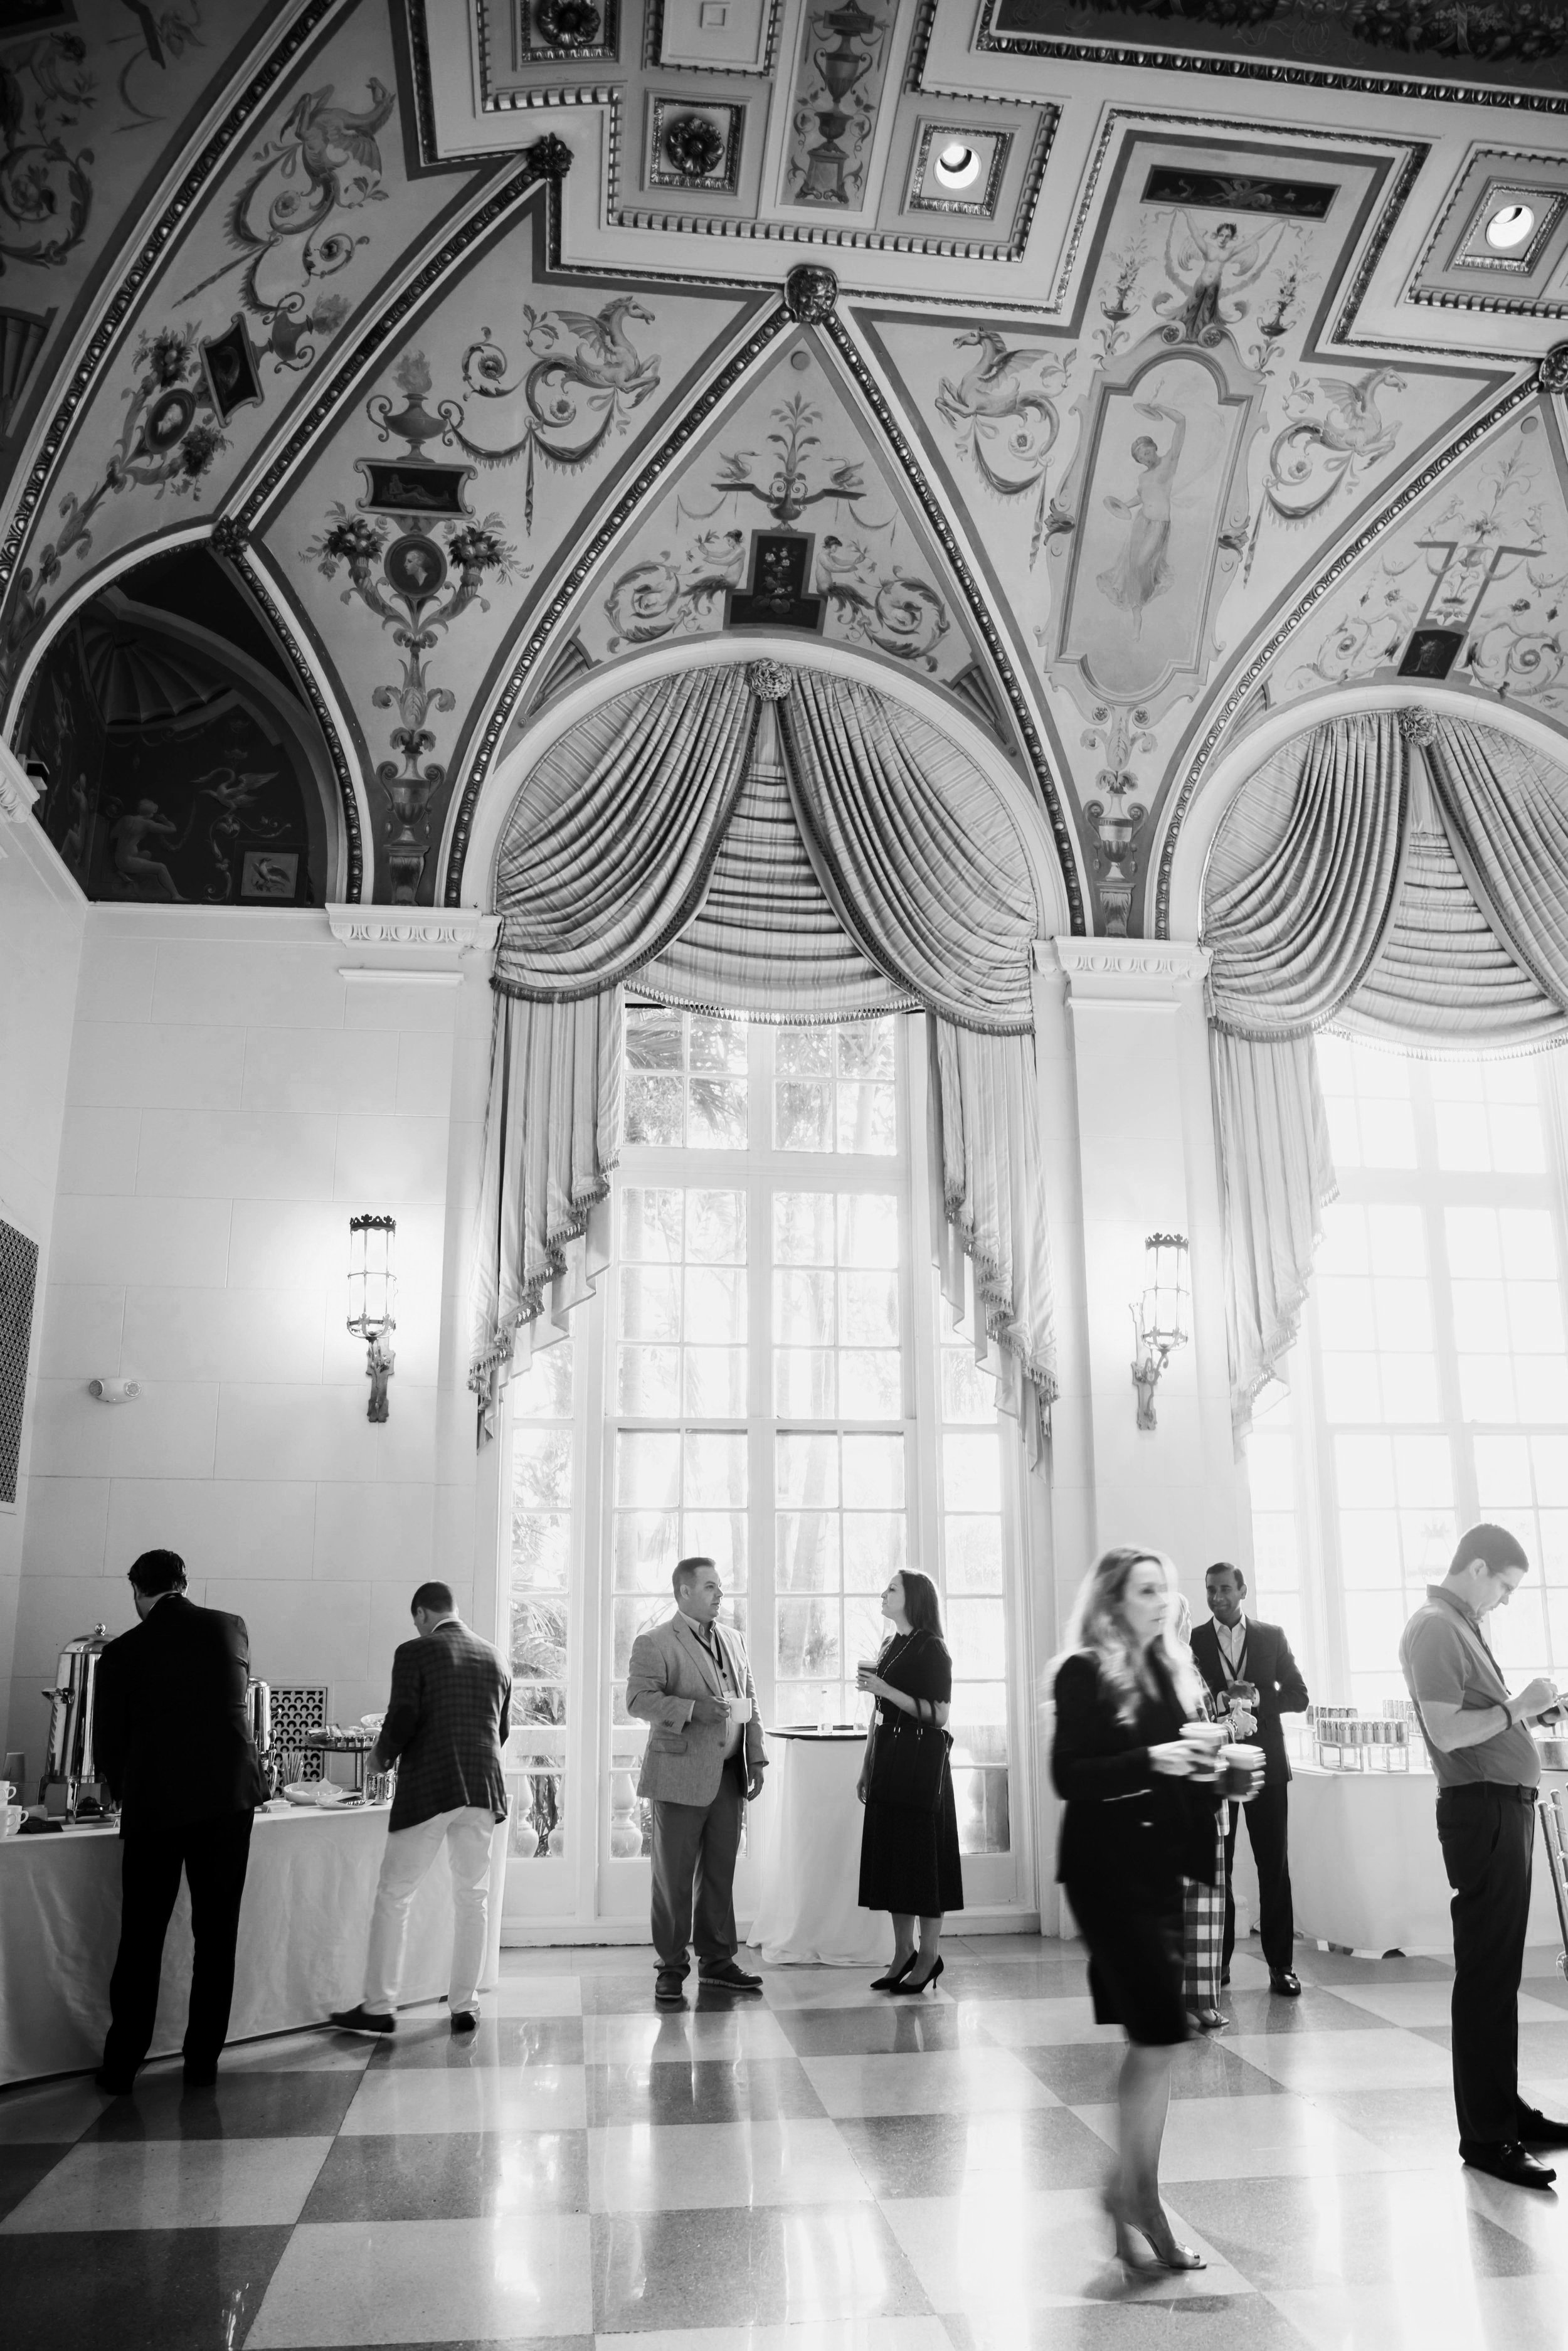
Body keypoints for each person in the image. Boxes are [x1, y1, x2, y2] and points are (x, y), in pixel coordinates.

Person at [1052, 1547, 1227, 2272]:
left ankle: (1130, 2193)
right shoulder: (1084, 1671)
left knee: (1154, 2039)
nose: (1162, 1600)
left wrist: (1222, 1779)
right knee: (1158, 2033)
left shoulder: (1171, 1671)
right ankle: (1138, 2199)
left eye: (1166, 1588)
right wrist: (1155, 1760)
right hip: (1104, 1875)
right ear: (1113, 1601)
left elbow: (1181, 1774)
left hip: (1156, 1872)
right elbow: (1069, 1775)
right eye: (1146, 1589)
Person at [1399, 1524, 1568, 2189]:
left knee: (1498, 1973)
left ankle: (1506, 2111)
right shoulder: (1435, 1626)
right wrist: (1519, 1705)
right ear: (1476, 1567)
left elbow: (1481, 1719)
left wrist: (1529, 1714)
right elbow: (1446, 1729)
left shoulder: (1461, 1623)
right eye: (1503, 1585)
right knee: (1485, 1975)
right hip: (1481, 1811)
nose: (1503, 1600)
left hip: (1502, 1806)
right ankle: (1487, 2137)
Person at [93, 1548, 267, 2094]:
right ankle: (201, 2063)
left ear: (137, 1593)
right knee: (217, 1936)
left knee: (142, 1937)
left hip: (156, 1806)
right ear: (185, 1583)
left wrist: (124, 1791)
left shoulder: (120, 1653)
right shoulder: (231, 1629)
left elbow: (108, 1745)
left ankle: (123, 2065)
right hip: (227, 1802)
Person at [330, 1582, 511, 2038]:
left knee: (395, 1893)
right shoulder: (496, 1656)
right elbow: (501, 1730)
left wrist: (380, 1757)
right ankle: (464, 2006)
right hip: (484, 1787)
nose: (418, 1627)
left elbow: (404, 1714)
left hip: (432, 1786)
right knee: (474, 1898)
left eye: (417, 1620)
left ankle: (378, 2006)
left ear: (423, 1613)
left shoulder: (415, 1651)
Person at [625, 1556, 768, 2007]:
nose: (719, 1594)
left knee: (720, 1875)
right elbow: (638, 1700)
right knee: (673, 1878)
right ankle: (670, 1969)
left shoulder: (734, 1638)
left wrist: (756, 1757)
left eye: (720, 1587)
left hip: (728, 1776)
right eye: (709, 1587)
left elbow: (751, 1701)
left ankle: (718, 1963)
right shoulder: (655, 1642)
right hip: (679, 1777)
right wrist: (691, 1710)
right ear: (683, 1591)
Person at [1190, 1559, 1308, 1997]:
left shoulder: (1271, 1637)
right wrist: (1219, 1700)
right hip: (1216, 1768)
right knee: (1216, 1866)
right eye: (1210, 1590)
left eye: (1224, 1589)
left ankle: (1282, 1966)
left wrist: (1260, 1701)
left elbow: (1299, 1695)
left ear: (1243, 1591)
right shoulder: (1194, 1640)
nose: (1217, 1597)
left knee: (1273, 1866)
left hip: (1266, 1768)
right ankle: (1215, 1967)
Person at [856, 1569, 963, 1992]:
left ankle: (930, 1956)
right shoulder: (890, 1645)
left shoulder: (933, 1649)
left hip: (919, 1766)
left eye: (892, 1589)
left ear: (914, 1598)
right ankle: (903, 1952)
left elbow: (939, 1715)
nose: (883, 1594)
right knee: (895, 1862)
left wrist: (885, 1687)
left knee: (922, 1865)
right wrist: (867, 1763)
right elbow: (878, 1712)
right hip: (888, 1758)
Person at [1170, 1593, 1248, 2033]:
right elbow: (1192, 1737)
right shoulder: (1175, 1666)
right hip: (1194, 1805)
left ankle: (1187, 1998)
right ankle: (1199, 2001)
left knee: (1193, 1907)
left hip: (1193, 1803)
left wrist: (1226, 1723)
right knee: (1202, 1907)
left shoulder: (1181, 1666)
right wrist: (1230, 1731)